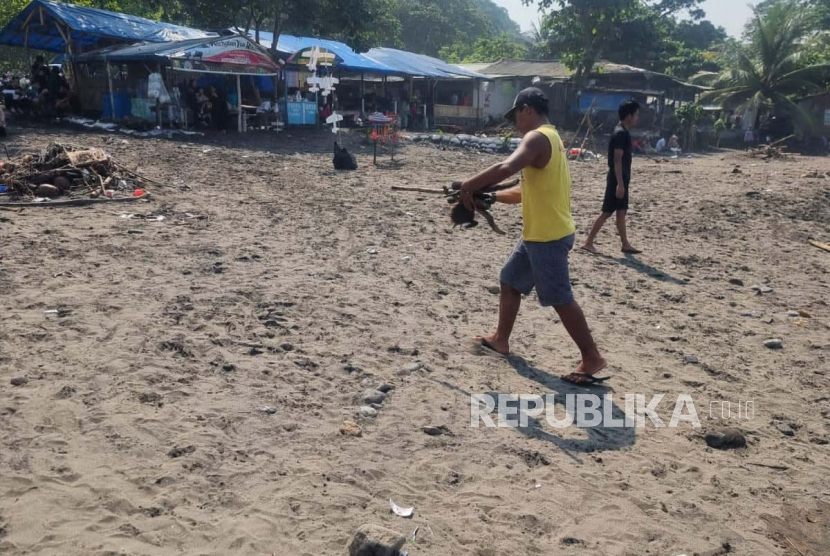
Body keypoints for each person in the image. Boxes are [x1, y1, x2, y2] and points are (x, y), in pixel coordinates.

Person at [459, 87, 608, 385]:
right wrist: (491, 197)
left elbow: (506, 167)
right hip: (538, 234)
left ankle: (592, 356)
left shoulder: (537, 137)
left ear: (526, 109)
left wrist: (468, 185)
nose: (515, 122)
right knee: (510, 279)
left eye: (516, 115)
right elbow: (523, 191)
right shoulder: (551, 138)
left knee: (560, 298)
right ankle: (501, 339)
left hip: (549, 237)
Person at [581, 100, 642, 255]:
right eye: (636, 115)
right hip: (617, 178)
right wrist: (620, 184)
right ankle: (588, 242)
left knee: (621, 211)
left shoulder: (622, 131)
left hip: (621, 178)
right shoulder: (620, 133)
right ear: (629, 116)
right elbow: (617, 160)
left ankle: (625, 244)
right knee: (607, 211)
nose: (637, 118)